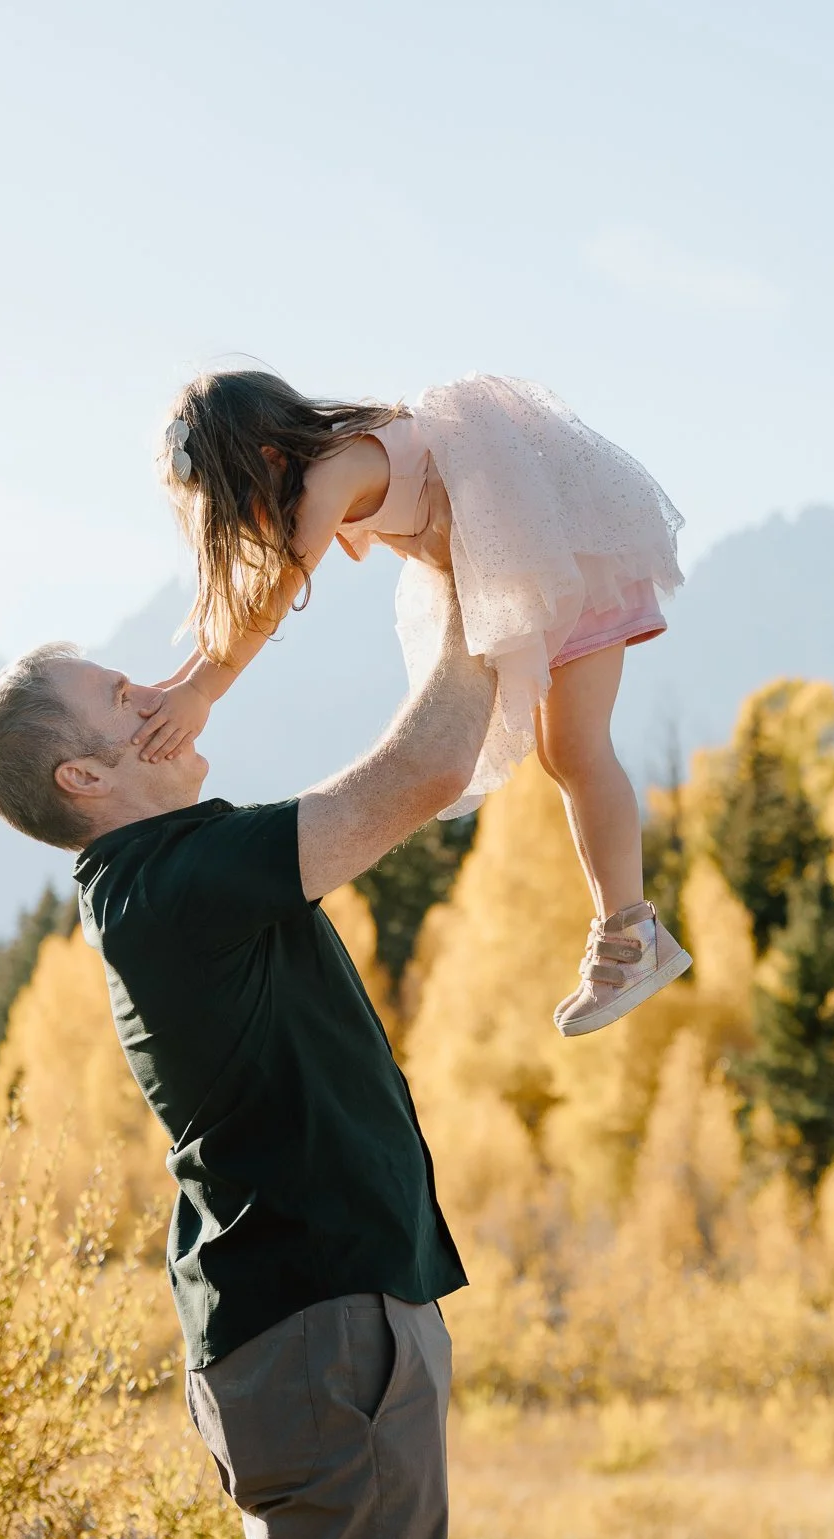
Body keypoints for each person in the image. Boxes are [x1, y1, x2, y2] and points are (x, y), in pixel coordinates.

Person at [0, 552, 493, 1539]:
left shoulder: (164, 879)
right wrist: (476, 580)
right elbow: (427, 771)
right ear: (82, 776)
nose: (158, 693)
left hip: (309, 1325)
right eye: (123, 696)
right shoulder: (173, 883)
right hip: (323, 1326)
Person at [127, 367, 691, 1037]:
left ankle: (631, 935)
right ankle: (625, 934)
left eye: (240, 499)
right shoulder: (334, 460)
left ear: (270, 459)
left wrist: (200, 692)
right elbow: (251, 597)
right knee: (564, 752)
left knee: (575, 749)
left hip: (566, 549)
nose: (249, 520)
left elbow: (275, 591)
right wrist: (182, 683)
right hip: (537, 555)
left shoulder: (331, 473)